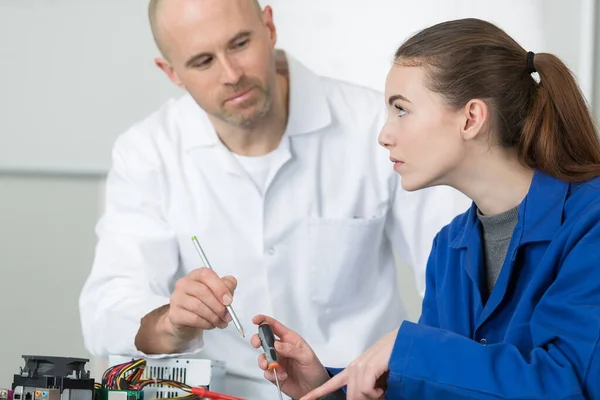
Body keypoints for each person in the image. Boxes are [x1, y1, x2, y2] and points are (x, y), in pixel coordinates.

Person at [78, 0, 469, 398]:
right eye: (202, 61)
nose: (231, 74)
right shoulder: (148, 151)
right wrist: (171, 323)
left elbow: (457, 287)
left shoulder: (375, 127)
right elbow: (104, 311)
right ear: (171, 73)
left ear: (269, 27)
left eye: (240, 43)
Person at [251, 17, 600, 400]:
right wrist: (328, 386)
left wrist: (411, 349)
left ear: (471, 118)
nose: (384, 135)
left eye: (401, 109)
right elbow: (439, 390)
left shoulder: (591, 224)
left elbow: (569, 386)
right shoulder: (450, 246)